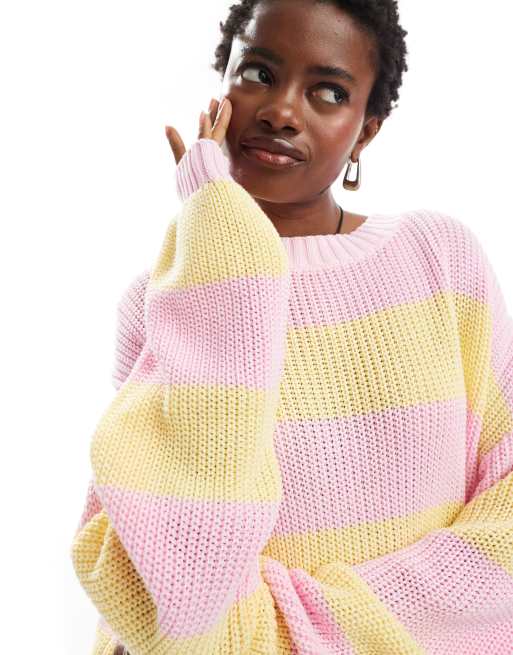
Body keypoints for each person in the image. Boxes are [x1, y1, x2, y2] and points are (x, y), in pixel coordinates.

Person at [72, 1, 513, 654]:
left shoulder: (439, 259)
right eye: (258, 73)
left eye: (328, 92)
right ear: (220, 89)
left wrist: (298, 632)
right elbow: (174, 579)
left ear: (364, 132)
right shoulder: (163, 298)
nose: (281, 111)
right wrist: (218, 239)